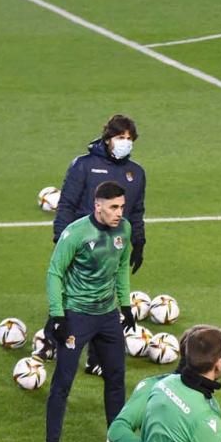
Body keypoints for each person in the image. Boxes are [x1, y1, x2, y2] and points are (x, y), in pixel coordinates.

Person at [39, 181, 136, 442]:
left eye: (122, 206)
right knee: (63, 383)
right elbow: (55, 273)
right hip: (76, 315)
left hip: (107, 316)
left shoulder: (125, 230)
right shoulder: (77, 233)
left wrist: (126, 305)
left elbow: (121, 268)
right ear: (98, 206)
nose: (119, 213)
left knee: (116, 376)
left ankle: (115, 436)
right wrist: (58, 315)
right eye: (113, 207)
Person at [54, 114, 147, 376]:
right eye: (120, 137)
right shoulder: (83, 166)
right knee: (71, 295)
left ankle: (95, 359)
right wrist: (60, 238)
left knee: (104, 300)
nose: (125, 143)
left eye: (129, 139)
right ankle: (54, 339)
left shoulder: (136, 173)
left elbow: (137, 211)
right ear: (107, 139)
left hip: (114, 247)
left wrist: (138, 241)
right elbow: (66, 205)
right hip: (81, 245)